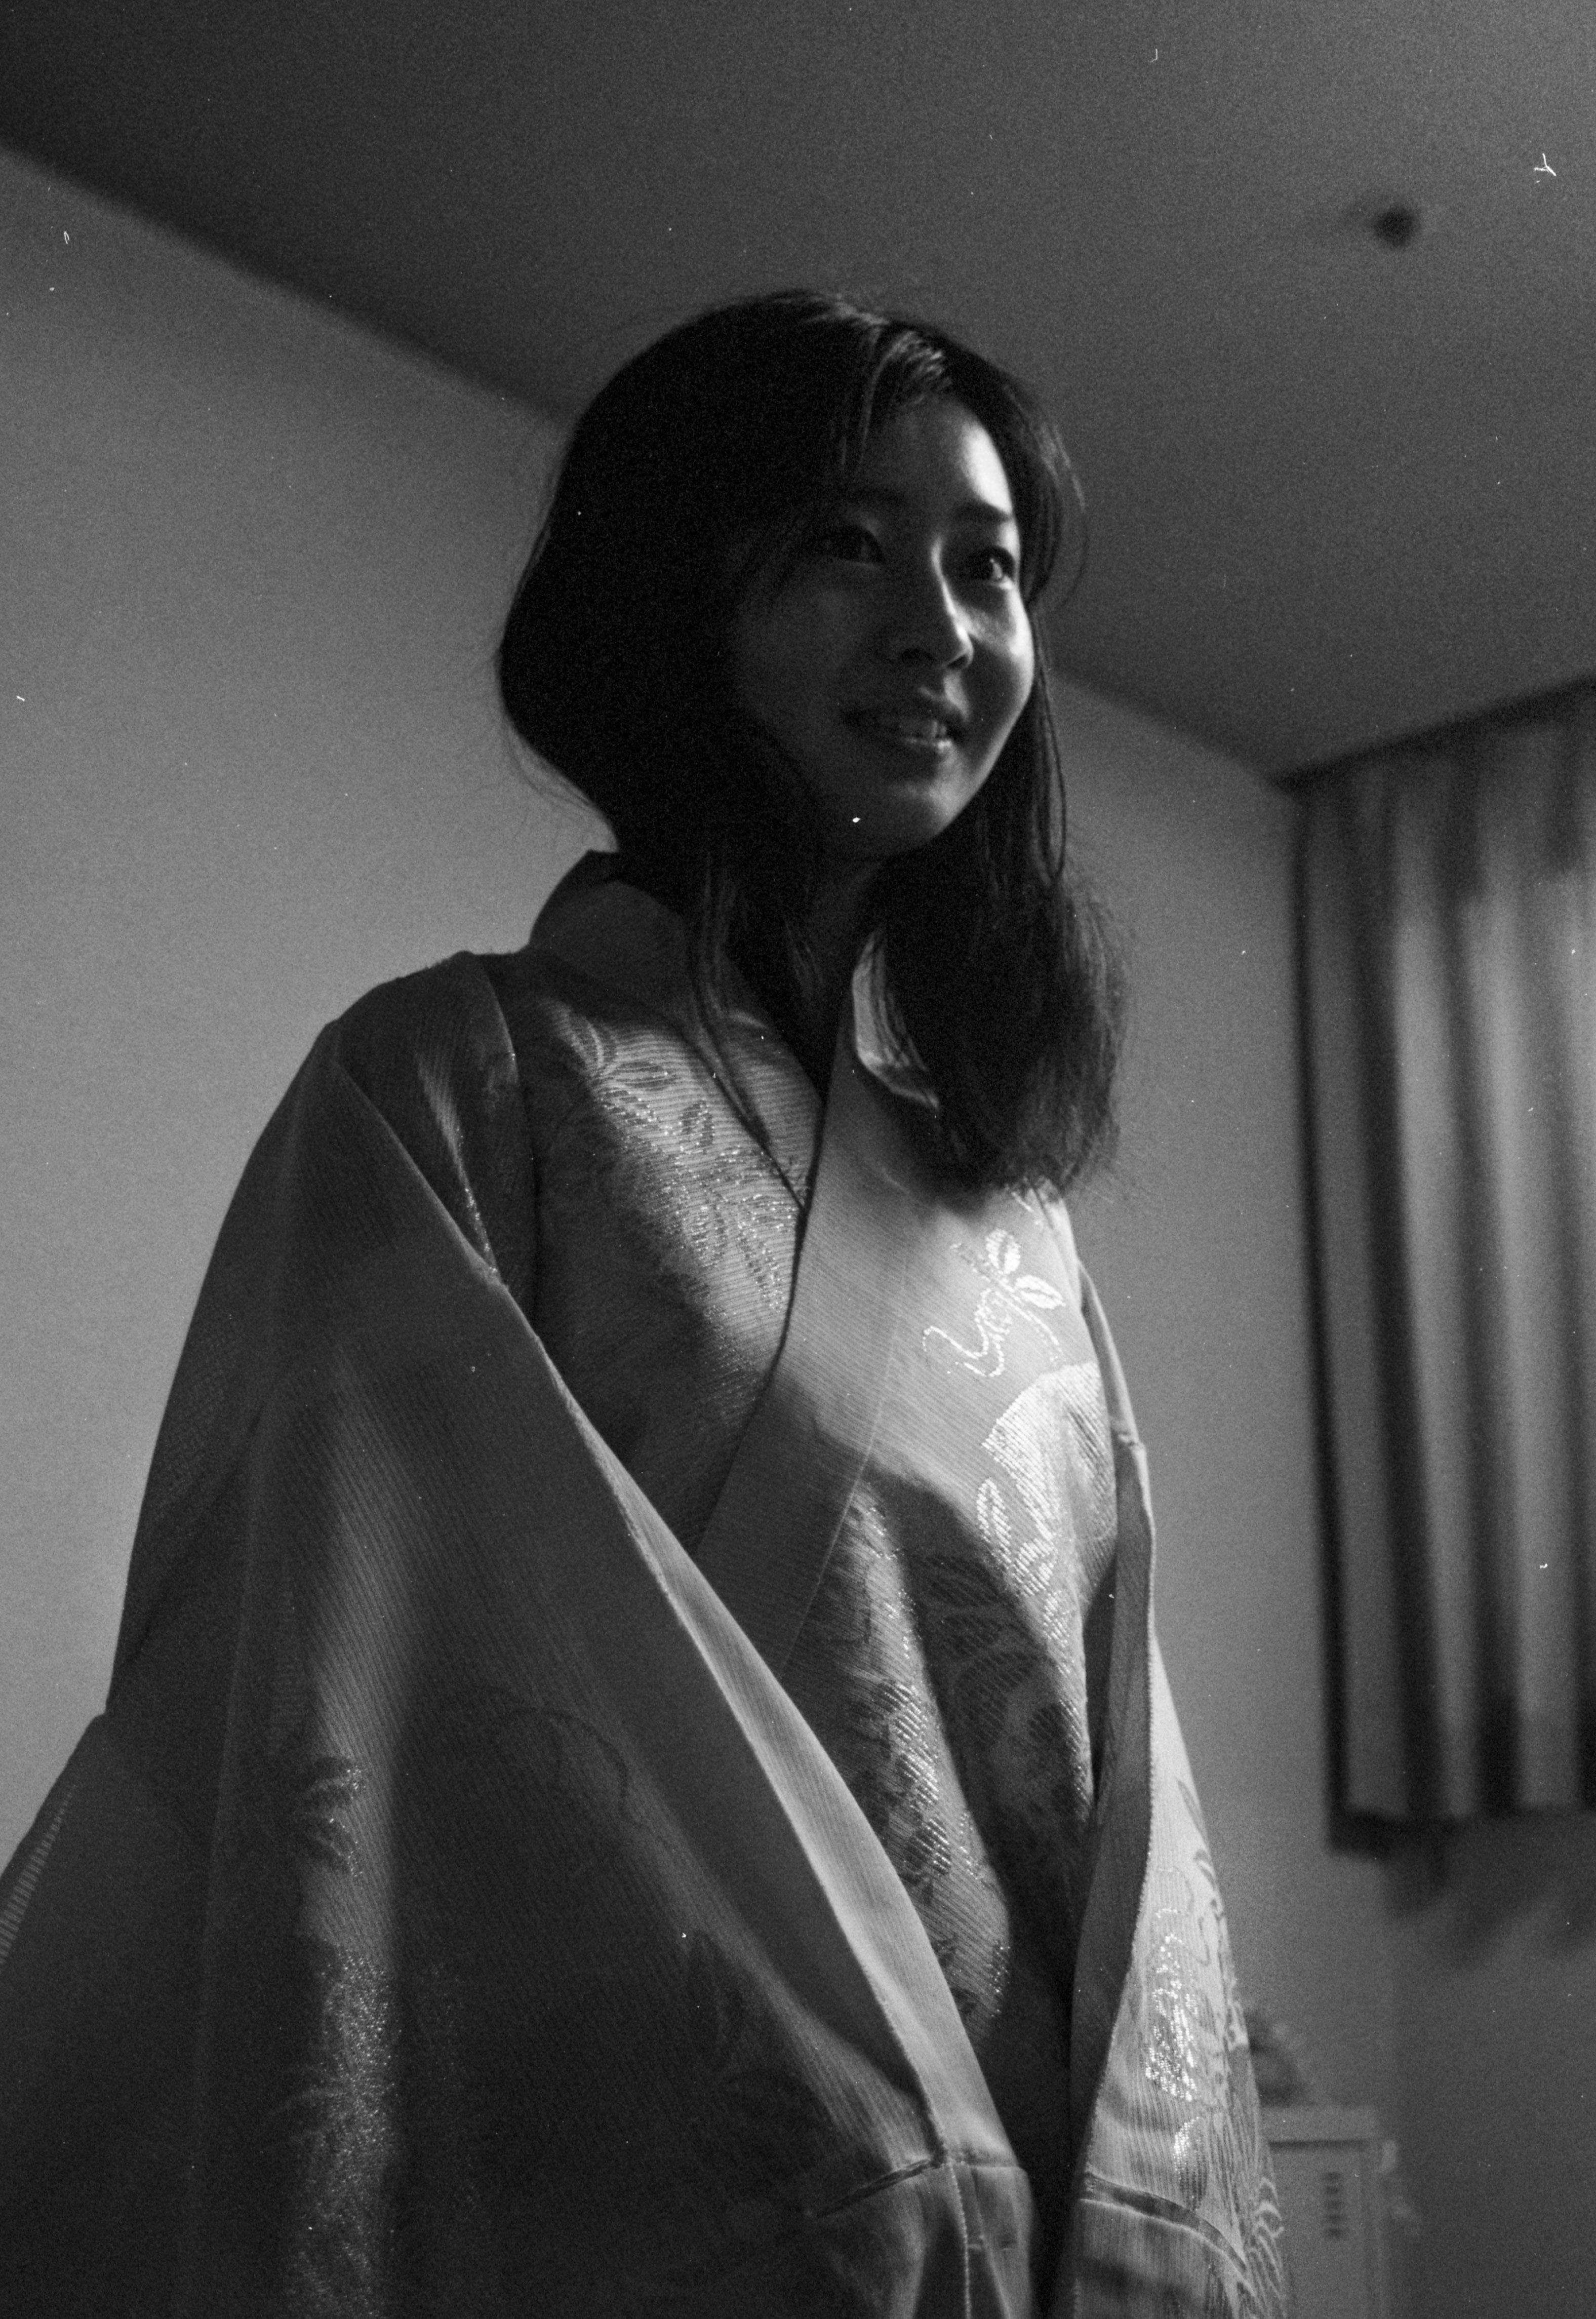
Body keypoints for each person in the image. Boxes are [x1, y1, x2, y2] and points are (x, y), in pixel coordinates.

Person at [0, 291, 1285, 2316]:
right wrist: (861, 2145)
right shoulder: (455, 1083)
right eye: (846, 544)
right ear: (681, 592)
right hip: (649, 2213)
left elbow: (1117, 1792)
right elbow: (331, 1706)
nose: (939, 627)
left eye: (988, 569)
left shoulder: (1014, 1219)